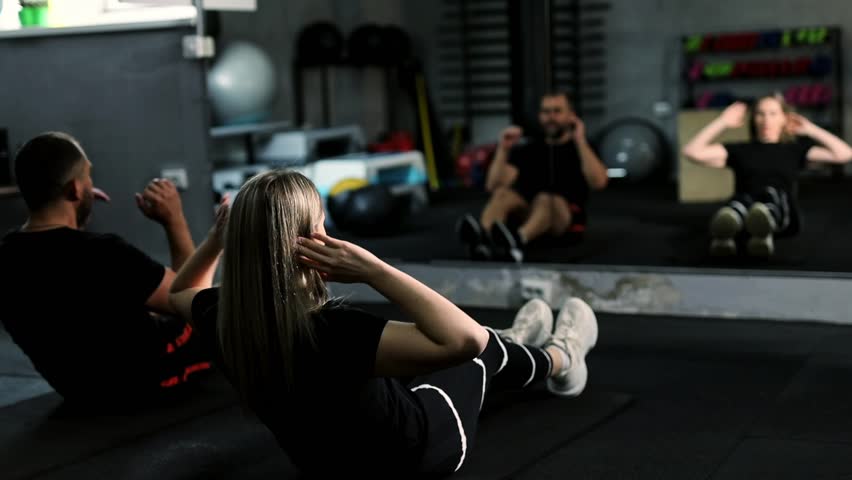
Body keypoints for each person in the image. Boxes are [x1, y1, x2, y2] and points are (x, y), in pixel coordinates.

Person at [169, 170, 599, 478]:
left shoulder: (220, 316)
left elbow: (179, 294)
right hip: (417, 457)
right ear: (309, 239)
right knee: (478, 351)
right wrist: (373, 268)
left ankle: (516, 346)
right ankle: (561, 358)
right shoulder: (334, 331)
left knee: (442, 345)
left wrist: (213, 243)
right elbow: (465, 340)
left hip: (325, 463)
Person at [0, 132, 211, 406]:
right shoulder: (104, 252)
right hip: (151, 380)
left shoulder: (5, 257)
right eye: (88, 176)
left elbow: (65, 283)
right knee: (212, 308)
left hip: (82, 390)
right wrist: (174, 220)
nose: (91, 183)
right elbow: (192, 300)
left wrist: (76, 213)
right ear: (75, 189)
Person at [682, 95, 852, 257]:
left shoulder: (795, 150)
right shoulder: (740, 150)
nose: (766, 120)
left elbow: (845, 154)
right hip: (746, 207)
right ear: (754, 119)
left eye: (773, 113)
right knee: (741, 202)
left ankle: (760, 223)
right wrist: (722, 122)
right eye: (760, 114)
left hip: (782, 213)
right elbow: (691, 151)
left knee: (771, 194)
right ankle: (732, 228)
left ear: (784, 118)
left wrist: (810, 129)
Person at [457, 91, 609, 262]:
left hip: (564, 219)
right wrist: (503, 149)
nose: (550, 117)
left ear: (571, 116)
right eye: (546, 112)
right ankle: (483, 240)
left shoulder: (583, 148)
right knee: (503, 194)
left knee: (547, 199)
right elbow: (493, 185)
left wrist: (580, 140)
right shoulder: (530, 148)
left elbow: (599, 182)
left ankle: (517, 241)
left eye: (557, 111)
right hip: (530, 213)